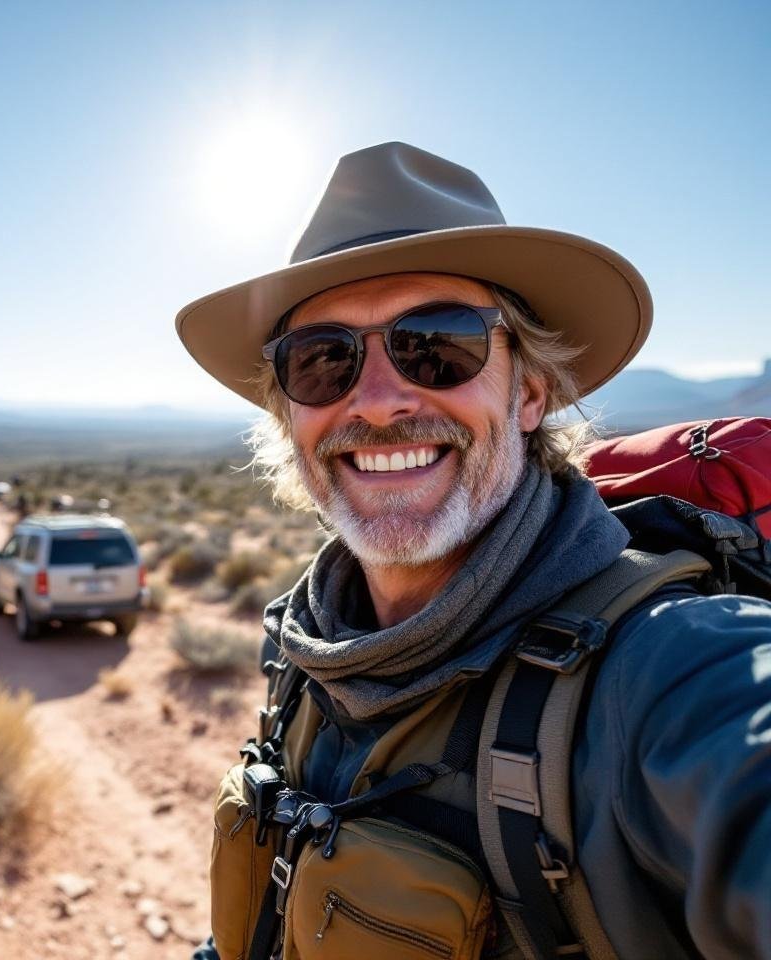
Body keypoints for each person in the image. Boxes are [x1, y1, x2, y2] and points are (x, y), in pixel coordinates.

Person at [178, 142, 771, 959]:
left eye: (436, 345)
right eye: (323, 361)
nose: (379, 403)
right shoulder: (307, 647)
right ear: (290, 413)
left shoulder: (664, 673)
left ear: (528, 392)